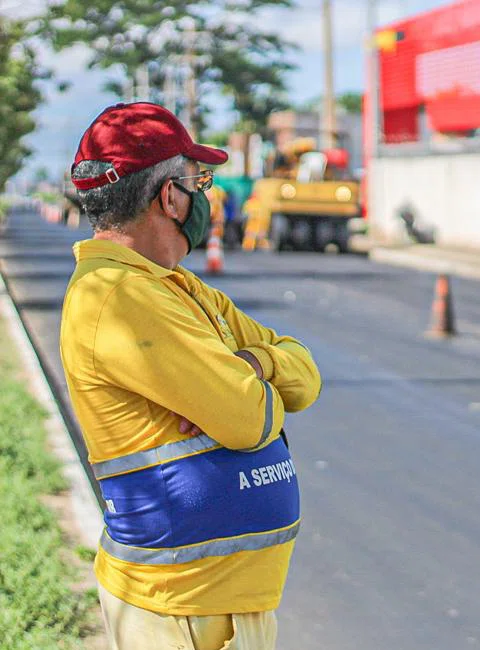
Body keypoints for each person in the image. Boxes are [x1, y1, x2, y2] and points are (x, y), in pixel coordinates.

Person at [59, 102, 322, 650]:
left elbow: (303, 371)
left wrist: (258, 365)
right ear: (170, 196)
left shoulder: (178, 289)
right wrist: (250, 370)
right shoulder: (120, 298)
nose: (204, 194)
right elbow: (249, 417)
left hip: (215, 605)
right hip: (176, 610)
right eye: (197, 179)